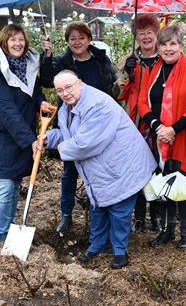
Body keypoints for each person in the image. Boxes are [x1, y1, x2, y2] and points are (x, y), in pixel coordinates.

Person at [44, 70, 156, 269]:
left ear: (80, 83)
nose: (65, 93)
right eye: (60, 90)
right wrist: (48, 140)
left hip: (122, 166)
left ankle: (120, 251)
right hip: (101, 169)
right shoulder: (66, 108)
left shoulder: (98, 105)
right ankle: (97, 245)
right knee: (98, 206)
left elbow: (86, 143)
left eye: (68, 87)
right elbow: (67, 133)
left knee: (119, 210)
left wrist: (62, 148)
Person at [40, 21, 118, 233]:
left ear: (89, 39)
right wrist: (46, 56)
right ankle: (66, 216)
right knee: (70, 172)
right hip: (71, 123)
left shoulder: (101, 58)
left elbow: (112, 84)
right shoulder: (61, 61)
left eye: (81, 38)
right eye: (72, 38)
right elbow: (47, 80)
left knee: (103, 170)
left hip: (99, 124)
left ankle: (104, 214)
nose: (77, 42)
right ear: (67, 42)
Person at [0, 24, 52, 242]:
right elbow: (8, 112)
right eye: (12, 40)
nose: (17, 44)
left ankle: (11, 228)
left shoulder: (28, 66)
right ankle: (3, 234)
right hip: (1, 136)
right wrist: (30, 140)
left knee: (15, 185)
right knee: (5, 186)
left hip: (22, 133)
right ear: (4, 43)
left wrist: (41, 103)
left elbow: (35, 91)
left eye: (21, 39)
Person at [137, 25, 186, 249]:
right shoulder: (152, 70)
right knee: (163, 182)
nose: (168, 48)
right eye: (164, 44)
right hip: (158, 137)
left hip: (182, 136)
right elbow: (141, 103)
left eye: (172, 44)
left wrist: (173, 129)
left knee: (181, 183)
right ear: (158, 47)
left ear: (181, 46)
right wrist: (158, 126)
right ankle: (167, 230)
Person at [112, 14, 163, 234]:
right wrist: (126, 75)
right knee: (138, 171)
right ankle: (139, 216)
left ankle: (158, 216)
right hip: (136, 123)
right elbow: (117, 94)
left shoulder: (166, 58)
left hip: (161, 122)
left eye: (149, 32)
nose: (145, 37)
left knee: (160, 169)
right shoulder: (128, 61)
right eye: (140, 33)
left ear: (156, 34)